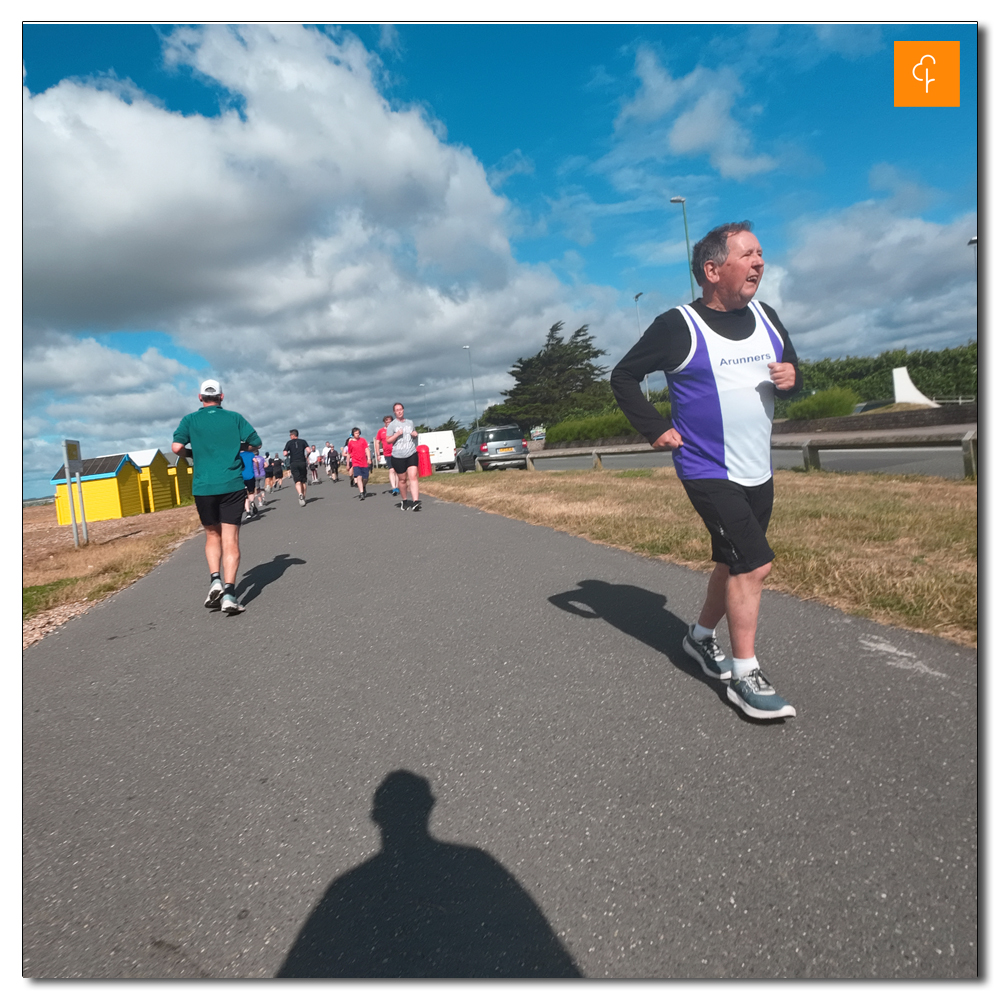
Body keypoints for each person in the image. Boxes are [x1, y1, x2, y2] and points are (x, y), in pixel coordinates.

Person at [611, 221, 802, 720]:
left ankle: (698, 638)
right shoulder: (678, 326)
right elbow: (624, 376)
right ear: (713, 270)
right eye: (748, 254)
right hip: (706, 468)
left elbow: (791, 376)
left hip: (756, 469)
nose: (760, 261)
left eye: (761, 252)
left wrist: (791, 380)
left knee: (733, 560)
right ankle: (745, 675)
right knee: (754, 563)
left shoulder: (767, 315)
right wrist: (655, 428)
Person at [172, 378, 260, 615]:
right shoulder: (234, 418)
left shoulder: (190, 420)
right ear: (222, 397)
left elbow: (176, 448)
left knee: (212, 535)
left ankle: (215, 581)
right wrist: (239, 448)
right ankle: (230, 595)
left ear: (200, 398)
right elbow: (256, 443)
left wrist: (193, 452)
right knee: (230, 538)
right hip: (231, 484)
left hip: (204, 487)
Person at [385, 402, 420, 511]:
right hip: (398, 456)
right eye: (397, 410)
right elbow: (388, 440)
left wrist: (415, 435)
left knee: (413, 476)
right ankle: (404, 500)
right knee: (402, 480)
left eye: (401, 409)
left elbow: (413, 435)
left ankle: (415, 501)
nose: (399, 411)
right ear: (394, 412)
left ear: (403, 410)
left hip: (411, 453)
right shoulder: (392, 425)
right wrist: (396, 434)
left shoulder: (410, 422)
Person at [284, 429, 311, 507]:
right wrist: (306, 456)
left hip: (294, 463)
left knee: (297, 481)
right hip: (302, 462)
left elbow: (285, 453)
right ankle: (304, 497)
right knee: (303, 481)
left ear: (293, 435)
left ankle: (300, 494)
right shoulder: (303, 441)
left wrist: (289, 454)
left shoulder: (289, 443)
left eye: (290, 435)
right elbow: (309, 450)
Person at [375, 415, 399, 496]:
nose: (388, 423)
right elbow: (377, 442)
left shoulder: (395, 430)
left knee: (397, 470)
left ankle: (398, 486)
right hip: (387, 453)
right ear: (384, 423)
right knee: (391, 470)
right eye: (386, 422)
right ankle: (394, 487)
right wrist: (378, 454)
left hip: (397, 452)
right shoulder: (381, 431)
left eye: (390, 422)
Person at [345, 427, 371, 500]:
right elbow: (349, 454)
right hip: (356, 462)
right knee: (358, 477)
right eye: (356, 433)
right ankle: (361, 493)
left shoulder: (363, 440)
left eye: (358, 433)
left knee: (365, 478)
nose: (357, 434)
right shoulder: (351, 443)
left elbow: (367, 449)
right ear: (353, 434)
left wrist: (369, 458)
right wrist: (347, 464)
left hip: (364, 462)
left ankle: (363, 486)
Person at [240, 443, 259, 522]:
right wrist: (257, 468)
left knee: (245, 496)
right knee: (251, 492)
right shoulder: (250, 454)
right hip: (250, 475)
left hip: (241, 477)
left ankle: (248, 512)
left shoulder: (237, 456)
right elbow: (255, 461)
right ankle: (252, 502)